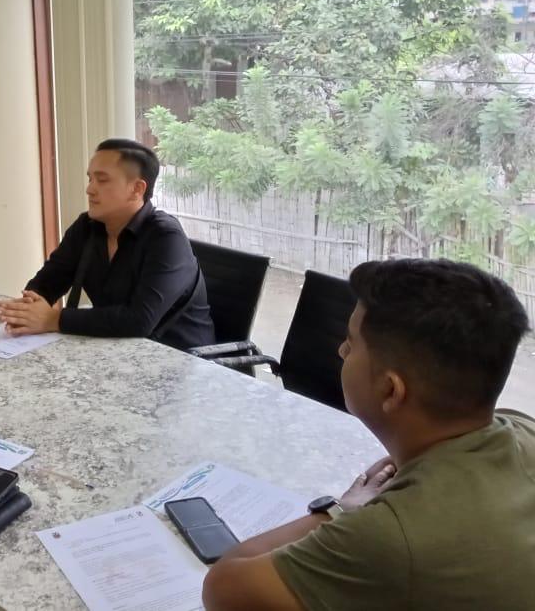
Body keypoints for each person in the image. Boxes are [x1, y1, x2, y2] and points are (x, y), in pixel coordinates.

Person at [202, 258, 535, 611]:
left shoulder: (391, 534)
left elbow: (223, 590)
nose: (341, 351)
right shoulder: (522, 428)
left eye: (351, 343)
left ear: (391, 390)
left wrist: (338, 513)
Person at [0, 138, 214, 350]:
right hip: (116, 349)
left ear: (137, 189)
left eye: (102, 180)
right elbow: (48, 281)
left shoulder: (166, 237)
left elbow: (139, 320)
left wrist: (53, 319)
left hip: (181, 359)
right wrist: (28, 310)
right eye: (90, 179)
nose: (90, 189)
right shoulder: (87, 226)